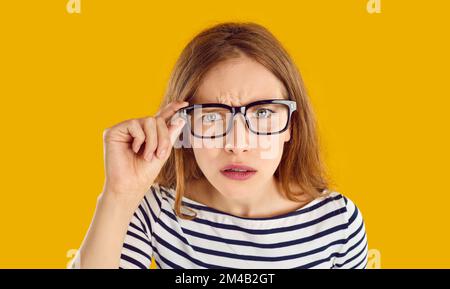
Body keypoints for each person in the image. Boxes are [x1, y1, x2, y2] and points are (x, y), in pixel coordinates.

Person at [69, 22, 368, 269]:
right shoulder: (156, 209)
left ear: (290, 124)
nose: (237, 145)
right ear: (181, 125)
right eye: (212, 117)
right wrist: (119, 195)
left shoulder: (338, 223)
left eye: (262, 113)